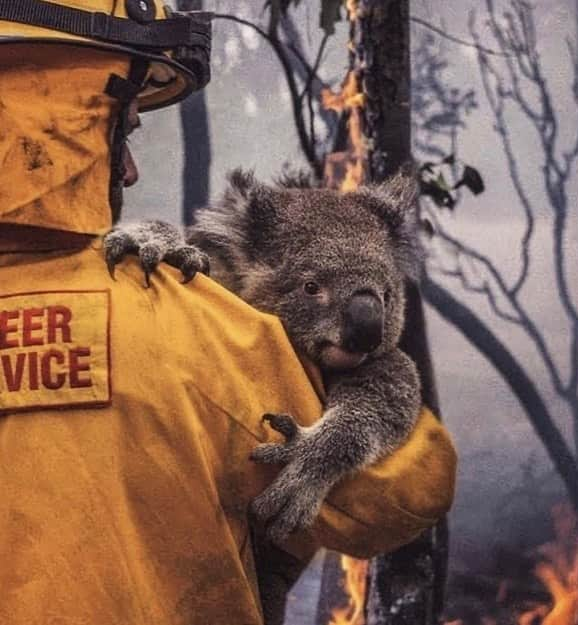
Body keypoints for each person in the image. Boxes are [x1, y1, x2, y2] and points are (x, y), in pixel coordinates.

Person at [0, 2, 457, 624]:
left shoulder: (163, 276)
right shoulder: (202, 330)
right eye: (124, 129)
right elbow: (405, 495)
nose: (131, 170)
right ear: (57, 114)